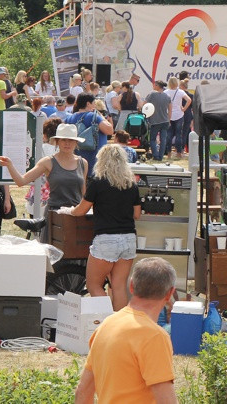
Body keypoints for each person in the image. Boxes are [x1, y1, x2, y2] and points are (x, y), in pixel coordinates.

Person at [74, 257, 177, 404]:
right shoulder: (154, 336)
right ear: (169, 294)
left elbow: (83, 393)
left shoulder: (106, 325)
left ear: (131, 286)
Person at [67, 144, 143, 310]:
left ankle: (106, 322)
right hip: (128, 239)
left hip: (106, 239)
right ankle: (118, 325)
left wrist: (70, 211)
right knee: (118, 286)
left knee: (94, 285)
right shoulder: (131, 184)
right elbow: (137, 214)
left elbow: (81, 210)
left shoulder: (98, 183)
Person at [0, 123, 88, 213]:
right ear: (57, 141)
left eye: (70, 140)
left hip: (76, 213)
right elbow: (21, 181)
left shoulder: (83, 163)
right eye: (63, 140)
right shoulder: (47, 162)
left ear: (76, 142)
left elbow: (84, 193)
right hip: (55, 214)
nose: (67, 143)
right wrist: (10, 165)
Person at [66, 94, 113, 176]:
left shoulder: (69, 118)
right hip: (95, 160)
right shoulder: (93, 116)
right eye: (93, 103)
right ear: (88, 104)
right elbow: (109, 130)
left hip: (76, 160)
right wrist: (100, 115)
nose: (94, 105)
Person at [164, 77, 192, 159]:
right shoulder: (180, 92)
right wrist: (184, 108)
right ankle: (179, 153)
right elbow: (189, 100)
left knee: (169, 134)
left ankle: (168, 153)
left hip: (169, 115)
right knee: (178, 134)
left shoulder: (166, 92)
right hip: (179, 115)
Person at [144, 80, 172, 161]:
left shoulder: (152, 94)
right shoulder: (167, 96)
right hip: (165, 120)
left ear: (156, 86)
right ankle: (161, 156)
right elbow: (170, 110)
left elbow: (144, 105)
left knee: (152, 139)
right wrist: (169, 120)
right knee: (163, 139)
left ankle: (155, 155)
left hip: (155, 120)